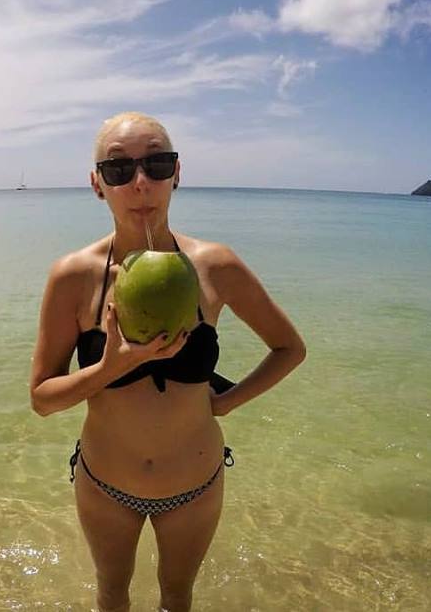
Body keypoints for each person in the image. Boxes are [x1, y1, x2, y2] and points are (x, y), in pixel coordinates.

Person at [29, 111, 306, 612]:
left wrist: (227, 402)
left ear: (177, 173)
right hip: (104, 485)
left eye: (156, 165)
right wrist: (108, 368)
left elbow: (289, 348)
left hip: (194, 486)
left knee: (177, 599)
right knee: (111, 596)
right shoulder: (73, 276)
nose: (140, 183)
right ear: (97, 184)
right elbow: (42, 399)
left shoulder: (215, 265)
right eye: (119, 169)